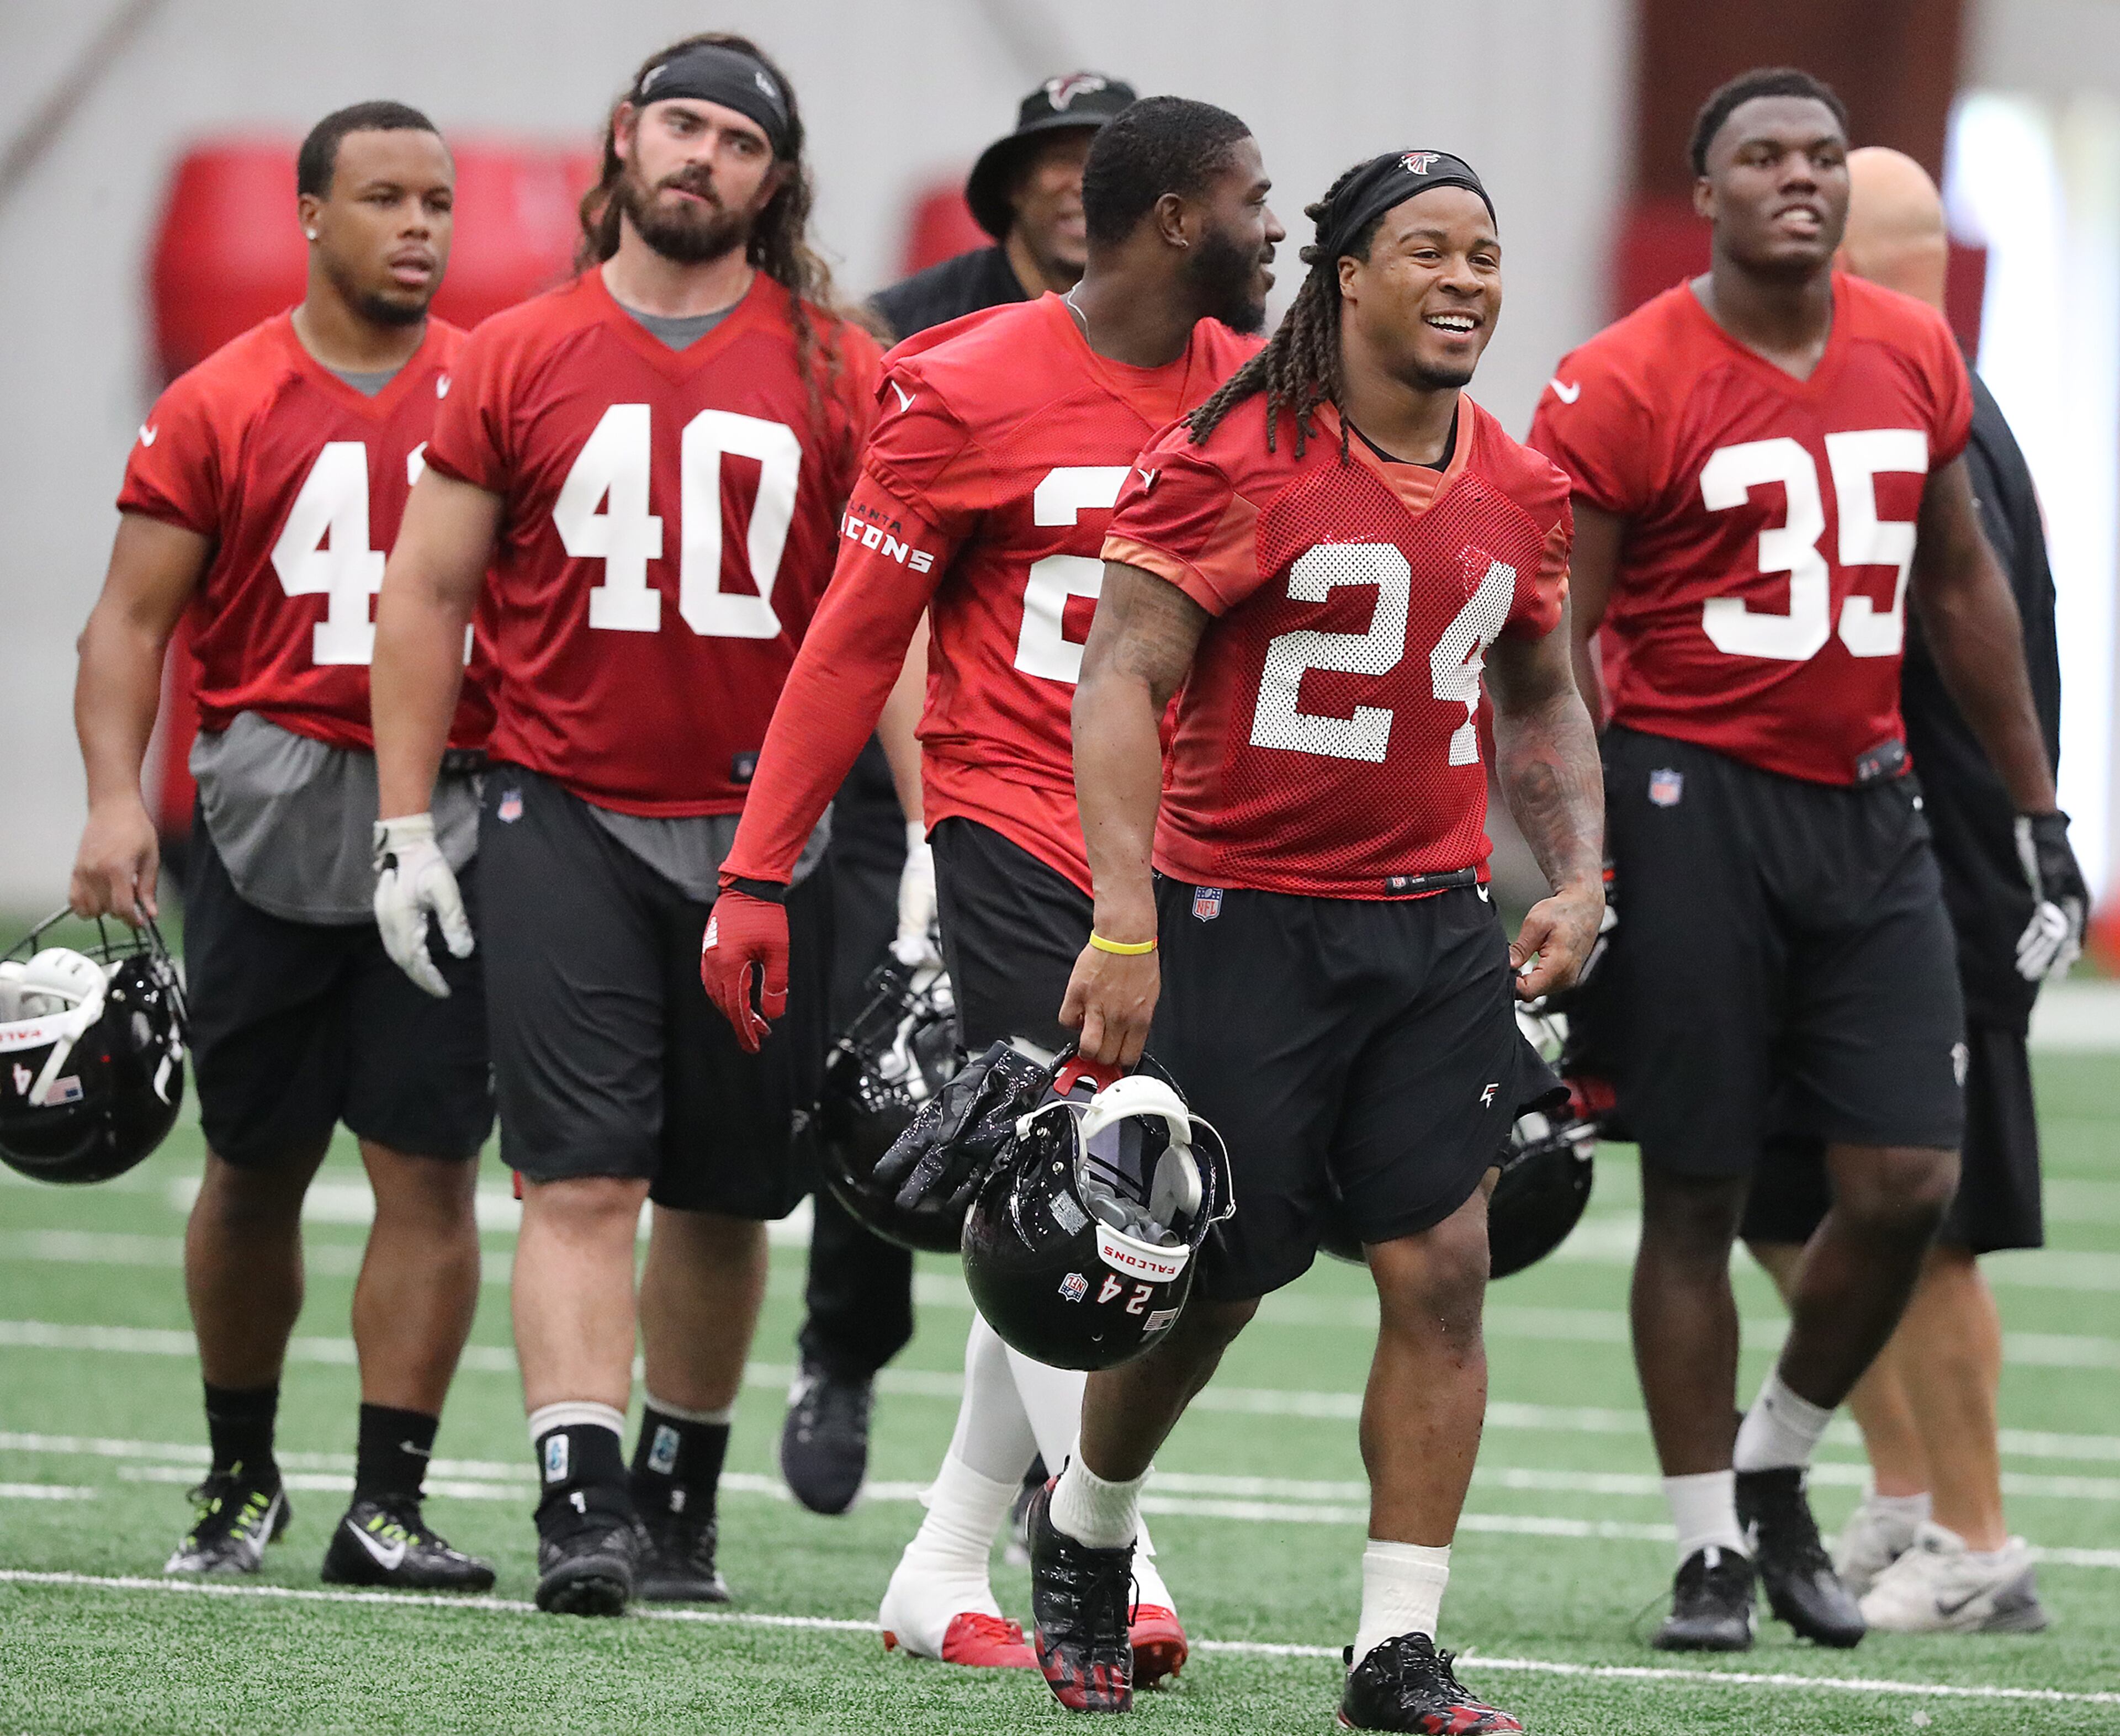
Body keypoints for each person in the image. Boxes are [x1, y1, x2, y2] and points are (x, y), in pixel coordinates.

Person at [701, 96, 1281, 1687]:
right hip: (1017, 821)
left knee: (1114, 1200)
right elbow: (850, 641)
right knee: (1100, 1180)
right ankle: (1109, 1555)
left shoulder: (1256, 391)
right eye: (1253, 198)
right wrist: (762, 868)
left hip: (1200, 845)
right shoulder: (960, 382)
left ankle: (947, 1558)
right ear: (1175, 220)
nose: (1276, 227)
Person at [1526, 68, 2087, 1653]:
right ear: (1703, 194)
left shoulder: (1911, 348)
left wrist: (2042, 815)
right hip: (1694, 797)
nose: (1801, 178)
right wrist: (1569, 851)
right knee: (1702, 1191)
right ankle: (1709, 1544)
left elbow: (1965, 593)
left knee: (1908, 1178)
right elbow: (1556, 648)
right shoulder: (1626, 376)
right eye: (1764, 156)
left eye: (1825, 157)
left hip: (1871, 803)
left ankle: (1775, 1459)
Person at [1052, 149, 1603, 1729]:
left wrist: (1573, 873)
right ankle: (1088, 1530)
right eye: (1425, 249)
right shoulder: (1235, 453)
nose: (1463, 280)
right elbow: (1118, 679)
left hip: (1430, 925)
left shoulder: (1523, 480)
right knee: (1211, 1278)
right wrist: (1126, 915)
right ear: (1346, 274)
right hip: (1244, 915)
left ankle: (1396, 1646)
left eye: (1485, 255)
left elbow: (1542, 687)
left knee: (1445, 1270)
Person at [367, 33, 882, 1617]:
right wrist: (403, 825)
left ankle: (680, 1494)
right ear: (623, 137)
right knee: (579, 1179)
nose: (701, 157)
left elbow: (893, 619)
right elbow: (429, 592)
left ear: (773, 179)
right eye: (681, 124)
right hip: (562, 805)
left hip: (763, 836)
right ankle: (578, 1498)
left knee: (727, 1196)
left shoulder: (839, 366)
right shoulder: (516, 350)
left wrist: (924, 844)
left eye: (737, 138)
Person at [68, 103, 495, 1590]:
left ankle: (387, 1504)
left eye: (438, 198)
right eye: (385, 197)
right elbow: (128, 623)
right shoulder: (223, 397)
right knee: (251, 1163)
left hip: (446, 816)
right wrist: (117, 798)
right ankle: (237, 1475)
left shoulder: (490, 389)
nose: (421, 225)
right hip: (261, 806)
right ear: (311, 214)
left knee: (430, 1168)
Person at [781, 68, 1138, 1522]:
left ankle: (974, 1522)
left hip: (1119, 786)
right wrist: (936, 814)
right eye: (1051, 163)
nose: (1075, 186)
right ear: (1010, 189)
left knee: (1093, 1112)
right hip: (929, 766)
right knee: (910, 1068)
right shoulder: (917, 337)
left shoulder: (1217, 354)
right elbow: (880, 608)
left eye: (1100, 162)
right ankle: (846, 1351)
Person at [1739, 146, 2060, 1635]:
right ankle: (1910, 1496)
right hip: (1852, 876)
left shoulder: (1938, 431)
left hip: (1934, 881)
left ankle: (1982, 1541)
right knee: (1787, 1195)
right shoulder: (1891, 408)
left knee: (1926, 1221)